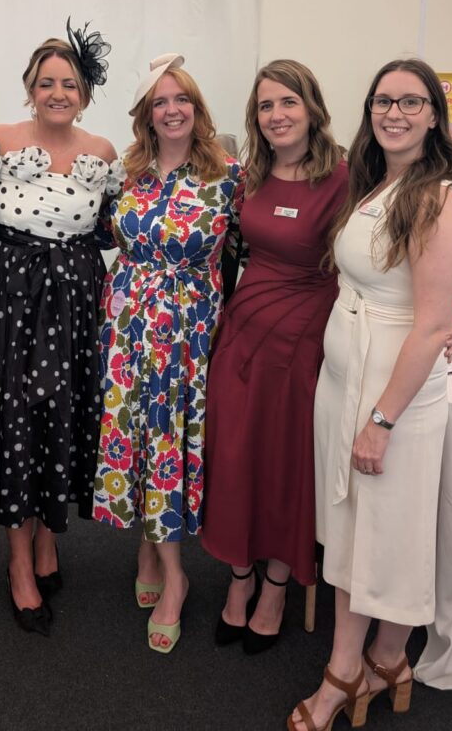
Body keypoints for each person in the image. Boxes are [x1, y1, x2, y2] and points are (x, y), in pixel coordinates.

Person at [288, 59, 452, 731]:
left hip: (390, 395)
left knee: (383, 538)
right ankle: (383, 660)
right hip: (347, 384)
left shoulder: (438, 200)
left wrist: (381, 420)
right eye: (382, 101)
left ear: (432, 114)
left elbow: (430, 327)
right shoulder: (377, 186)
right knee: (352, 531)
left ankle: (351, 671)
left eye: (410, 102)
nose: (393, 113)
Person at [0, 20, 119, 637]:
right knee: (16, 416)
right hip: (12, 294)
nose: (59, 93)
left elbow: (114, 230)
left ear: (85, 93)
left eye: (71, 84)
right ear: (30, 88)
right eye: (47, 82)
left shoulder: (104, 152)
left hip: (77, 293)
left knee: (63, 410)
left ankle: (49, 532)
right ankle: (17, 561)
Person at [92, 54, 244, 654]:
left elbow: (267, 248)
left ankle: (176, 576)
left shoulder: (229, 175)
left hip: (188, 331)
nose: (173, 109)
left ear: (197, 108)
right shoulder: (128, 172)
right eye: (160, 101)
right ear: (146, 114)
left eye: (182, 98)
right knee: (136, 438)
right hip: (128, 325)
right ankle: (149, 546)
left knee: (170, 441)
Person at [203, 60, 348, 654]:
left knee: (286, 462)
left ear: (311, 107)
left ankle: (277, 584)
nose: (277, 115)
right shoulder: (251, 175)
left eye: (287, 102)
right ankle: (239, 575)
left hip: (305, 338)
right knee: (234, 454)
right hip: (242, 328)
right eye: (265, 106)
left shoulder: (344, 177)